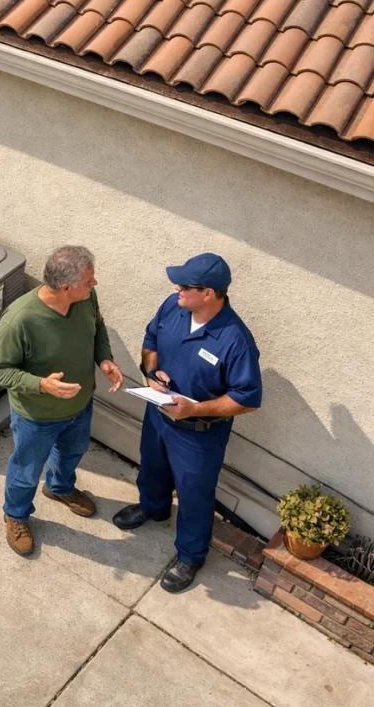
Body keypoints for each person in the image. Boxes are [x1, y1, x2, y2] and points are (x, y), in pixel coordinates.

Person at [113, 253, 262, 593]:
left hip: (198, 435)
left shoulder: (236, 340)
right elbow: (150, 342)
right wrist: (151, 373)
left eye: (184, 285)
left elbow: (247, 399)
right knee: (152, 468)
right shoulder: (173, 306)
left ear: (208, 293)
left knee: (195, 495)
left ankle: (191, 555)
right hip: (159, 414)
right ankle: (153, 508)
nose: (176, 289)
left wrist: (195, 410)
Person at [0, 245, 124, 556]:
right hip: (36, 416)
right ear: (66, 287)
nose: (95, 285)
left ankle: (59, 488)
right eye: (89, 281)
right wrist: (41, 385)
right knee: (26, 470)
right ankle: (16, 515)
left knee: (73, 451)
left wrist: (104, 359)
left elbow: (98, 328)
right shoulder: (20, 320)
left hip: (79, 405)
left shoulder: (86, 299)